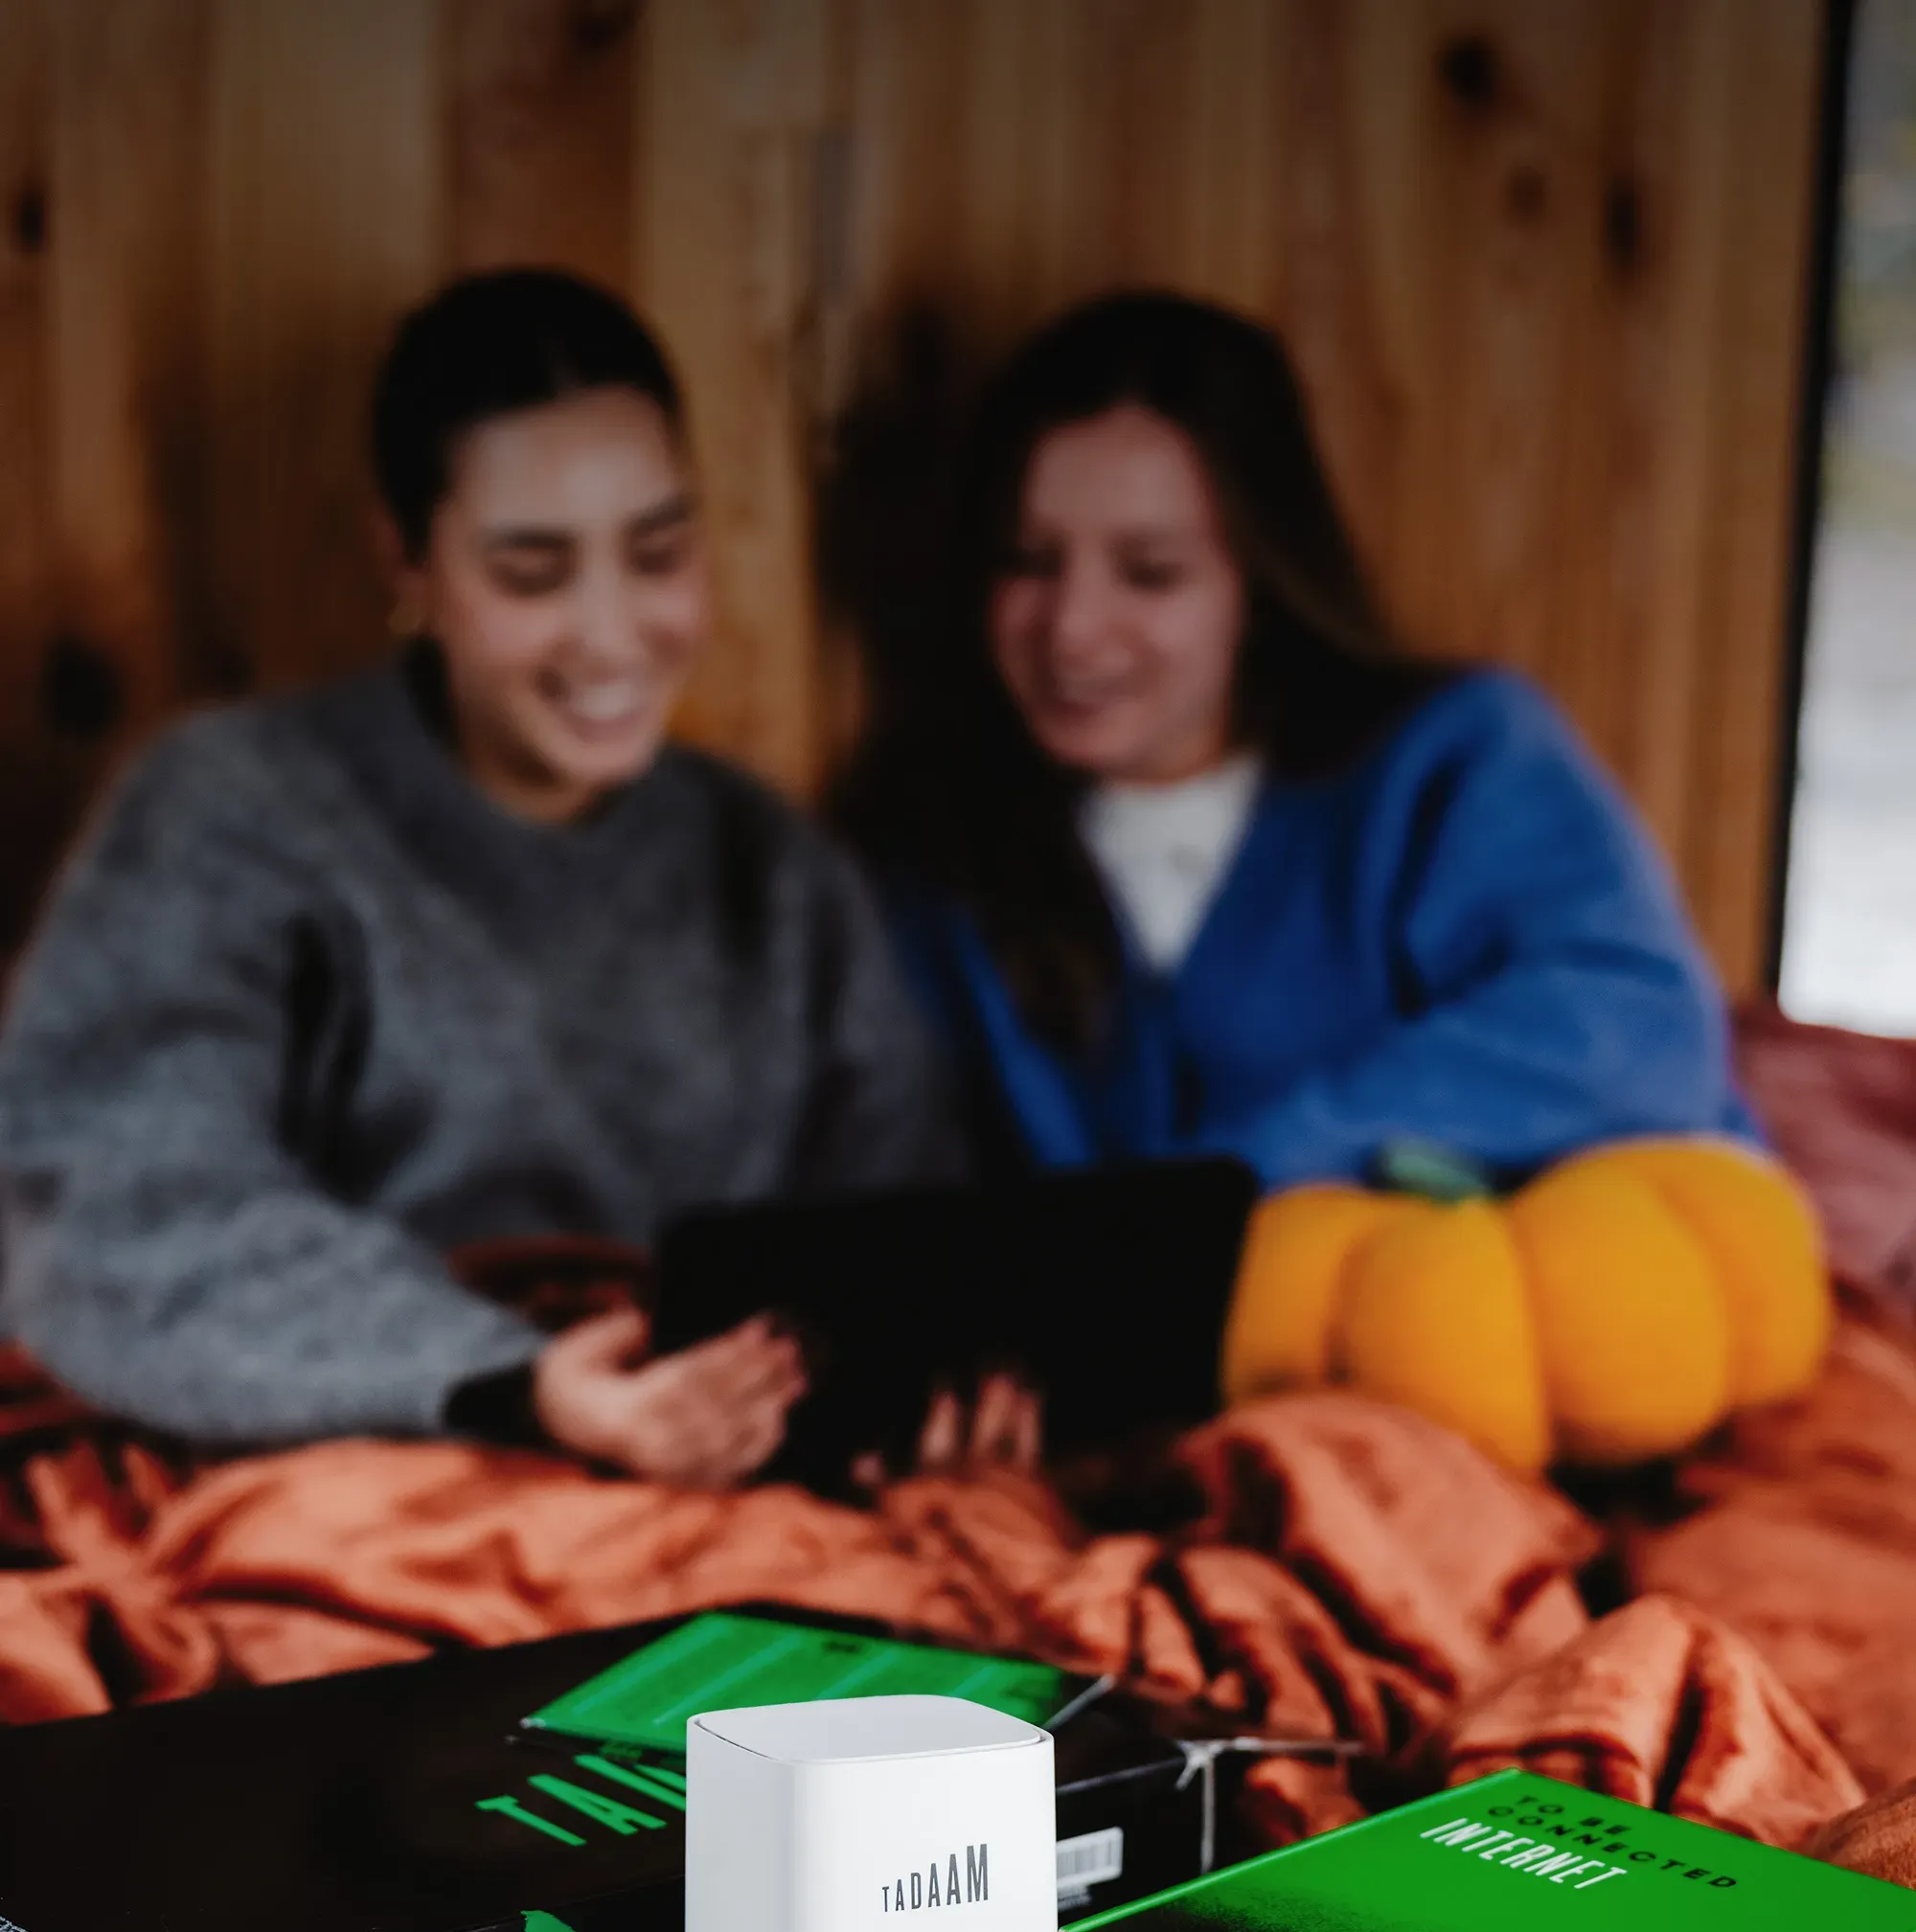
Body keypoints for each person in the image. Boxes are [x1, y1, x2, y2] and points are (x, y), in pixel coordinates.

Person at [0, 268, 958, 1485]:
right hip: (370, 1458)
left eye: (657, 553)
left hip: (724, 1473)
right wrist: (519, 1382)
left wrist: (924, 1394)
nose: (611, 634)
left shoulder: (771, 868)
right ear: (407, 561)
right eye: (532, 573)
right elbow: (115, 1207)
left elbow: (900, 1238)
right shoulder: (232, 811)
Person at [839, 289, 1754, 1188]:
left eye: (1150, 574)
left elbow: (1641, 1032)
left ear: (1260, 580)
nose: (1072, 626)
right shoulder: (928, 859)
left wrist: (1244, 1175)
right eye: (1027, 564)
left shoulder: (1453, 756)